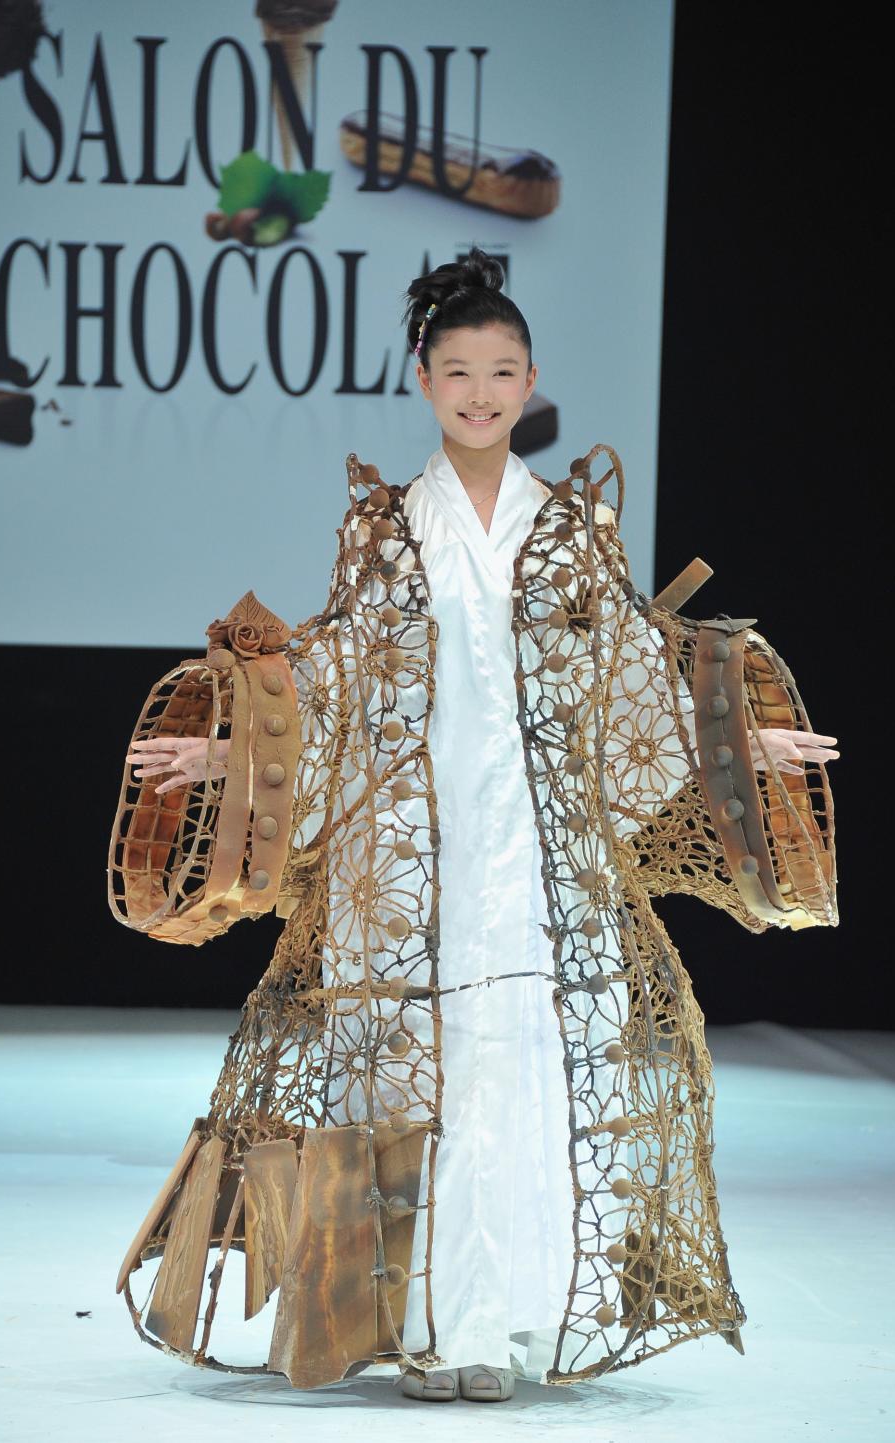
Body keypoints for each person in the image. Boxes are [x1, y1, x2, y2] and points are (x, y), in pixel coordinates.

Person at [117, 249, 838, 1405]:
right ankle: (411, 1324)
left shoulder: (573, 531)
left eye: (503, 372)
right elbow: (337, 680)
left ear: (533, 379)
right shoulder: (387, 530)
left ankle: (497, 1325)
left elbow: (629, 683)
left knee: (520, 1072)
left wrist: (743, 744)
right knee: (403, 1078)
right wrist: (226, 753)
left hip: (538, 853)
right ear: (422, 379)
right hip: (403, 858)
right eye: (459, 372)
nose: (482, 393)